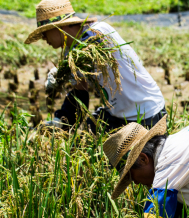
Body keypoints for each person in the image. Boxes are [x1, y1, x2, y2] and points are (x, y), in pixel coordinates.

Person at [25, 0, 166, 132]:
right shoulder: (71, 52)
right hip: (118, 116)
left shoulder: (98, 31)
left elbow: (87, 49)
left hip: (146, 114)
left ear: (61, 27)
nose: (44, 38)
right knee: (88, 134)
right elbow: (80, 93)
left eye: (45, 32)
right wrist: (61, 121)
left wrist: (62, 71)